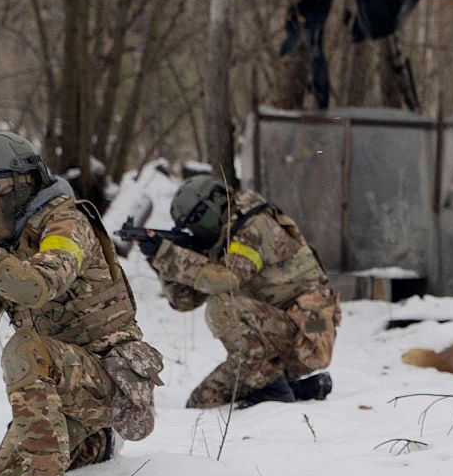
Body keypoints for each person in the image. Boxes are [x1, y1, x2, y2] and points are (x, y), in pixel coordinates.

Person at [0, 131, 163, 476]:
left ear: (27, 180)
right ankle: (98, 442)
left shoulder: (66, 223)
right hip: (62, 387)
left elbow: (38, 286)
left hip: (113, 379)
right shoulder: (7, 247)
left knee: (26, 348)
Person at [137, 175, 338, 410]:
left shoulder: (254, 225)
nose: (194, 230)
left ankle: (274, 389)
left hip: (309, 337)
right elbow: (184, 301)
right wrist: (160, 260)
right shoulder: (224, 236)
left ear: (212, 206)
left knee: (222, 305)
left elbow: (226, 280)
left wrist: (170, 255)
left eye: (195, 221)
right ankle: (298, 388)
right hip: (275, 340)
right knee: (202, 402)